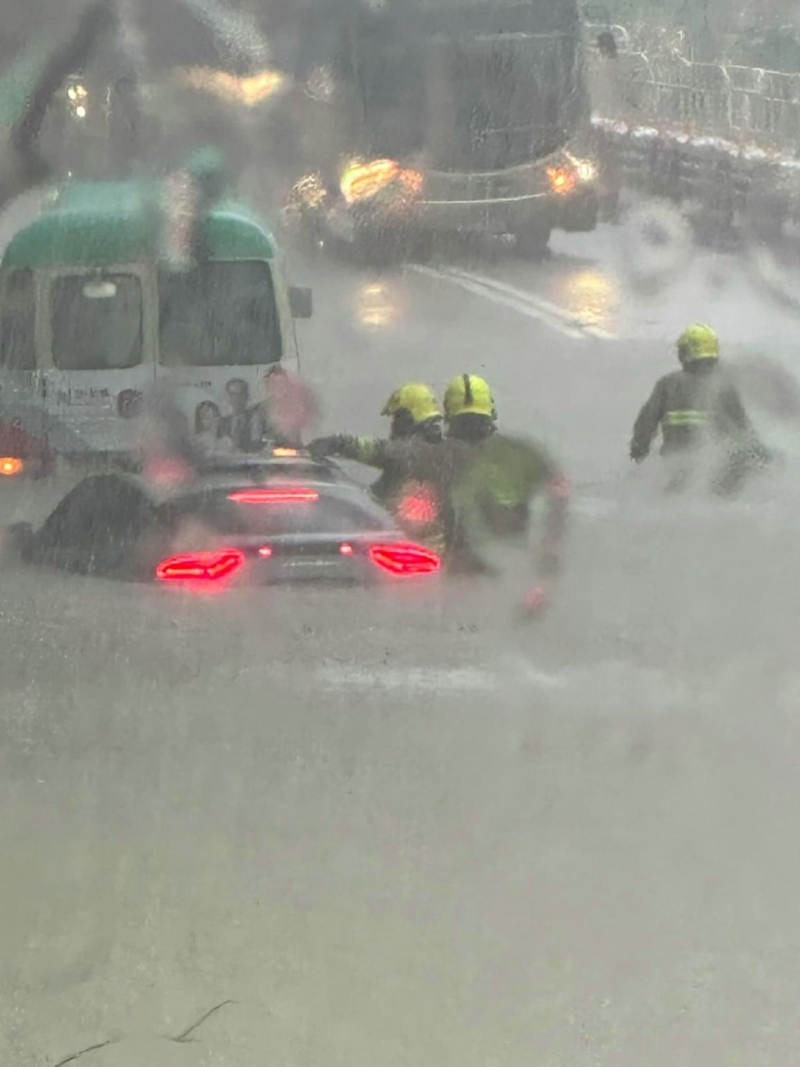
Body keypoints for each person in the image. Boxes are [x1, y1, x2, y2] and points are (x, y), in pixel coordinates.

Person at [442, 374, 570, 615]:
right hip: (511, 563)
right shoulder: (519, 452)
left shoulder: (434, 456)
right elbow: (560, 487)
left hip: (461, 569)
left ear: (449, 417)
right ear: (490, 414)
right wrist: (553, 542)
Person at [309, 382, 455, 550]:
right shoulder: (445, 450)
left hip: (411, 549)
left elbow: (371, 449)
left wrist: (335, 443)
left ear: (406, 418)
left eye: (396, 418)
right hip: (436, 550)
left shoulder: (407, 452)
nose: (393, 425)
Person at [629, 324, 769, 494]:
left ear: (686, 353)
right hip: (714, 472)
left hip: (675, 469)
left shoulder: (668, 385)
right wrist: (760, 458)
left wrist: (638, 453)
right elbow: (742, 430)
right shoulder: (723, 387)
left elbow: (645, 424)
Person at [220, 378, 253, 451]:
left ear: (246, 396)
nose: (237, 399)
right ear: (228, 397)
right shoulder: (222, 423)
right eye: (233, 394)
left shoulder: (255, 420)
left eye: (240, 394)